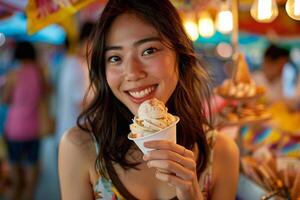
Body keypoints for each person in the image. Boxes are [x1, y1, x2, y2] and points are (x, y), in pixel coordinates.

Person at [58, 0, 240, 199]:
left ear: (179, 55)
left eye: (149, 51)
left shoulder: (221, 154)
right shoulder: (79, 148)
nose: (133, 73)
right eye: (115, 58)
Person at [2, 41, 46, 200]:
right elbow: (46, 93)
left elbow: (6, 99)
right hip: (34, 128)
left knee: (14, 168)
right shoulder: (39, 72)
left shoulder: (13, 74)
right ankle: (28, 195)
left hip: (14, 128)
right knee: (32, 168)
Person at [55, 22, 94, 145]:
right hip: (76, 136)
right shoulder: (79, 66)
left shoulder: (68, 62)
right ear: (88, 42)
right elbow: (84, 102)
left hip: (67, 131)